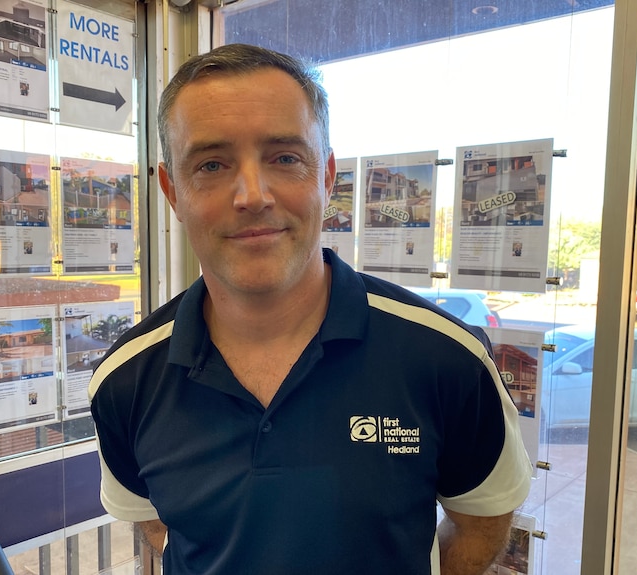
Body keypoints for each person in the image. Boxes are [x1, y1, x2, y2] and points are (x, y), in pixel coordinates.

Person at [89, 43, 531, 575]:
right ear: (173, 191)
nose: (252, 195)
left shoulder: (447, 359)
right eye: (211, 164)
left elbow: (481, 522)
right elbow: (156, 523)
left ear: (326, 176)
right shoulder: (125, 380)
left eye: (285, 158)